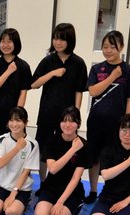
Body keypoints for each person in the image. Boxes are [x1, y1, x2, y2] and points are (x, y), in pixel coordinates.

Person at [85, 30, 130, 203]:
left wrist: (127, 124)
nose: (108, 50)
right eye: (105, 47)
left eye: (112, 47)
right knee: (94, 158)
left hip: (117, 125)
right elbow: (93, 91)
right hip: (96, 122)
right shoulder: (96, 69)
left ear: (121, 47)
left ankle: (111, 191)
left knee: (115, 159)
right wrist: (112, 76)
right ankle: (93, 190)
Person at [31, 23, 87, 183]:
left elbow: (79, 91)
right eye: (55, 38)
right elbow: (34, 84)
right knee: (43, 149)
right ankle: (43, 182)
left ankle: (62, 182)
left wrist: (76, 114)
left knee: (66, 149)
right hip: (47, 113)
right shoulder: (48, 61)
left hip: (67, 117)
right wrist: (52, 73)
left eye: (62, 39)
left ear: (70, 40)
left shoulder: (78, 63)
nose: (58, 42)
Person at [34, 106, 90, 215]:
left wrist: (60, 202)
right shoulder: (52, 140)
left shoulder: (84, 145)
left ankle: (75, 207)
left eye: (72, 121)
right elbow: (53, 169)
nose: (67, 125)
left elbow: (75, 178)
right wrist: (73, 149)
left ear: (78, 124)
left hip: (71, 191)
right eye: (64, 121)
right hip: (51, 187)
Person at [0, 107, 39, 215]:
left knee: (11, 213)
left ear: (25, 123)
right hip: (1, 185)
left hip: (21, 188)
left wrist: (13, 193)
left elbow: (26, 172)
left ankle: (24, 201)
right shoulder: (1, 139)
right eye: (11, 120)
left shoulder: (33, 144)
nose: (14, 124)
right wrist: (17, 148)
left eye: (18, 120)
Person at [0, 28, 32, 148]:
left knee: (16, 147)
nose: (5, 45)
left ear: (16, 43)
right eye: (2, 41)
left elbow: (23, 93)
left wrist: (18, 115)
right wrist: (8, 71)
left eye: (9, 41)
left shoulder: (23, 66)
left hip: (14, 117)